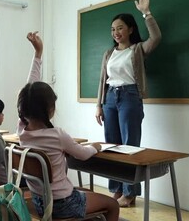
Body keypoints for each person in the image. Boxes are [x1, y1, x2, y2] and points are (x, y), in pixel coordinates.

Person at [17, 32, 119, 220]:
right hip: (62, 204)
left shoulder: (22, 129)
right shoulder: (57, 135)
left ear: (24, 107)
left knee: (82, 191)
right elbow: (82, 154)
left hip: (39, 202)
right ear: (50, 109)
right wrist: (94, 147)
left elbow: (30, 88)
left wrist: (38, 54)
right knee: (112, 205)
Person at [95, 0, 162, 207]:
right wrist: (99, 105)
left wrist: (146, 13)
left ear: (130, 29)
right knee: (111, 146)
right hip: (110, 99)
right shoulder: (108, 53)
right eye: (113, 29)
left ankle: (130, 192)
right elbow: (102, 81)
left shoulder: (137, 50)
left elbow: (156, 38)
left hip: (130, 96)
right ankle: (115, 188)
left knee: (129, 146)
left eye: (120, 28)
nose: (116, 32)